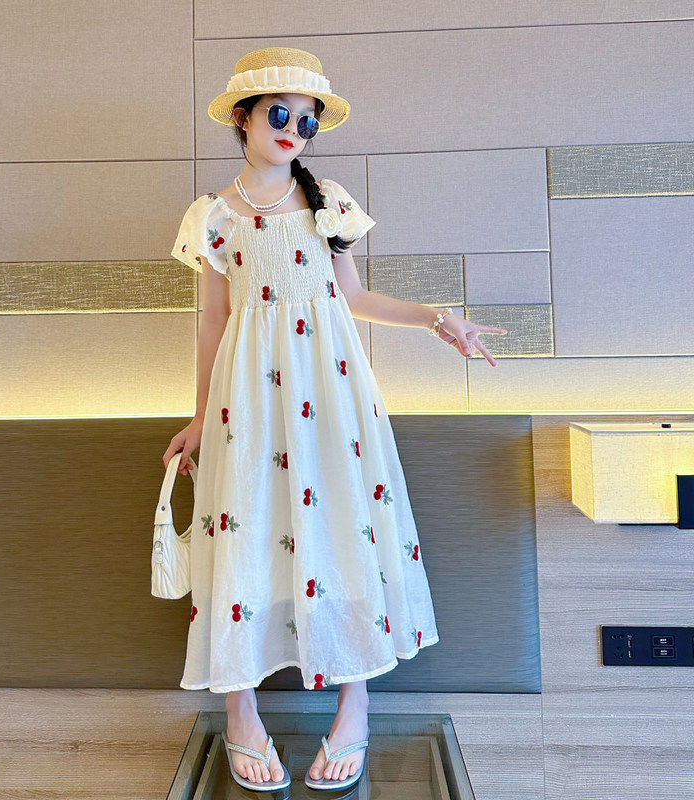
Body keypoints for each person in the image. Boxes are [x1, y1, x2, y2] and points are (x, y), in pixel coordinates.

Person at [164, 46, 508, 791]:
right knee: (244, 532)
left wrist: (438, 318)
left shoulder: (328, 204)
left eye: (307, 121)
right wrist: (199, 419)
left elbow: (353, 299)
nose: (294, 130)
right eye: (280, 115)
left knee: (344, 528)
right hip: (247, 402)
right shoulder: (213, 217)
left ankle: (356, 703)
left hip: (332, 393)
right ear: (243, 119)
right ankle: (240, 709)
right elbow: (211, 324)